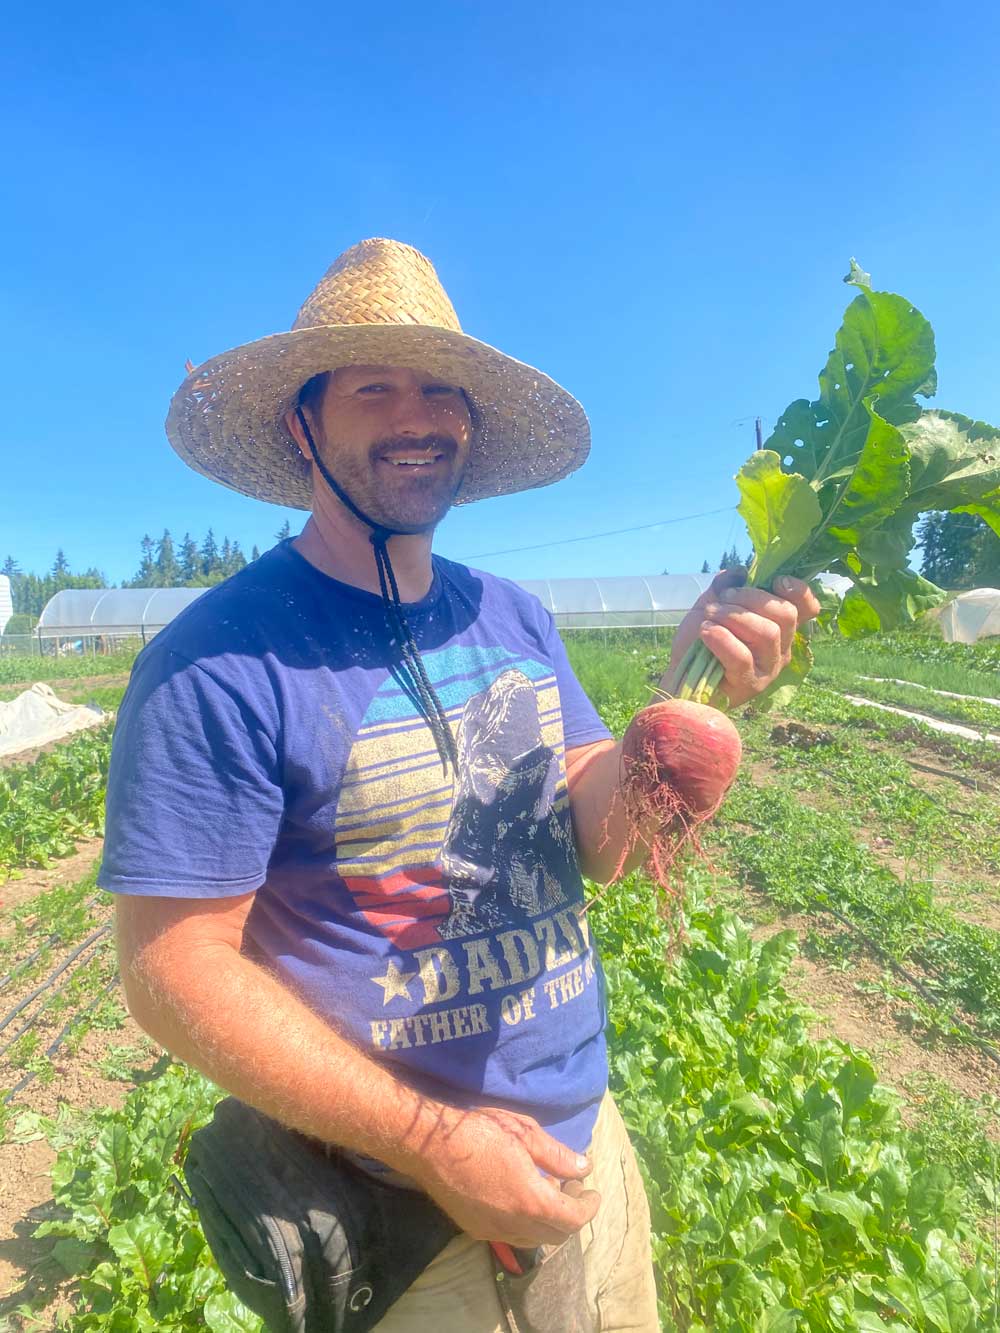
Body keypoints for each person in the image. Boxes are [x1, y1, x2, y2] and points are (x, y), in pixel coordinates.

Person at [101, 238, 819, 1332]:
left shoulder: (513, 616)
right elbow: (169, 970)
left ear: (470, 427)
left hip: (585, 1151)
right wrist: (438, 1143)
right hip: (405, 1211)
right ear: (303, 424)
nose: (415, 416)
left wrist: (682, 711)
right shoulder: (220, 658)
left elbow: (594, 842)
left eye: (440, 389)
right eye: (373, 387)